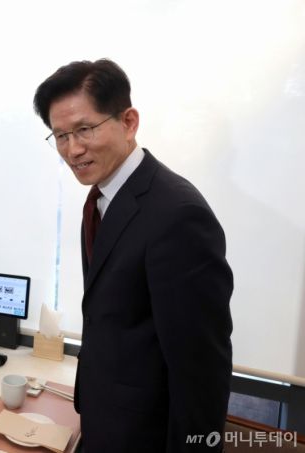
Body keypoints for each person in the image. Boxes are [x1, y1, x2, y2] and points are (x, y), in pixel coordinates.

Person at [33, 59, 233, 452]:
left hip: (146, 436)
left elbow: (201, 371)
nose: (73, 149)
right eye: (60, 136)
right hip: (104, 420)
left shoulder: (178, 214)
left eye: (85, 129)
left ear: (128, 122)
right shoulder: (101, 198)